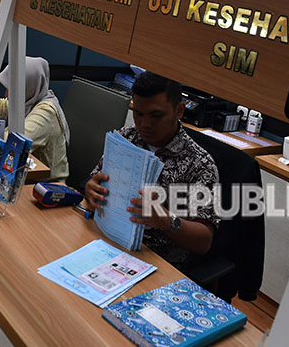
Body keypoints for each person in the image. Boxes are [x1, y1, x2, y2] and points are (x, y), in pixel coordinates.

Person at [84, 71, 219, 274]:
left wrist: (166, 221)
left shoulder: (200, 165)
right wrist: (90, 190)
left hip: (156, 264)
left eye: (156, 115)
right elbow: (94, 184)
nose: (145, 124)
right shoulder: (125, 138)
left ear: (179, 111)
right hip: (106, 241)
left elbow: (204, 241)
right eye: (138, 114)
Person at [0, 56, 70, 182]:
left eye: (11, 90)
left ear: (27, 87)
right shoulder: (30, 99)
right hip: (23, 177)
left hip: (47, 186)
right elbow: (2, 106)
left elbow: (13, 142)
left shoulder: (47, 112)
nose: (6, 94)